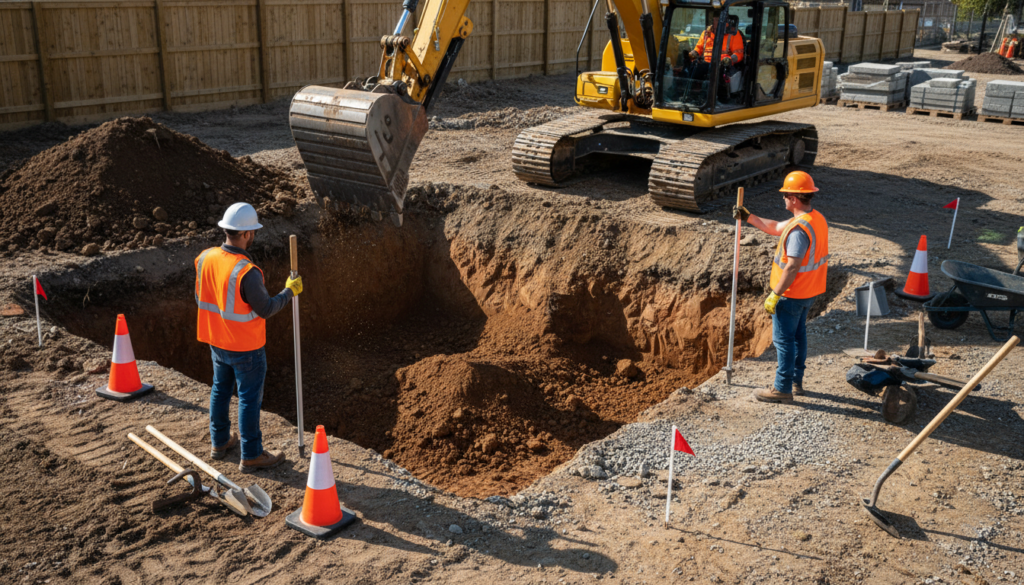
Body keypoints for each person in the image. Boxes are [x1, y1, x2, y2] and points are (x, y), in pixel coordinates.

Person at [195, 202, 303, 471]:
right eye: (252, 232)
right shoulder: (246, 271)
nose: (253, 236)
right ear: (245, 234)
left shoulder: (205, 258)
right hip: (245, 348)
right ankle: (252, 454)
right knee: (248, 399)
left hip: (216, 341)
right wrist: (289, 292)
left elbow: (200, 297)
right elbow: (266, 308)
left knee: (220, 390)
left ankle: (219, 442)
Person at [732, 171, 829, 404]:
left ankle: (782, 388)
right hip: (809, 291)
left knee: (784, 341)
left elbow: (793, 266)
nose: (783, 199)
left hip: (791, 294)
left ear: (794, 198)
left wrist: (775, 294)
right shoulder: (813, 218)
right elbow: (776, 227)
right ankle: (796, 381)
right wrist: (749, 217)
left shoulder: (798, 231)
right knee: (798, 336)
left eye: (785, 195)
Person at [687, 12, 745, 81]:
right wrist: (693, 53)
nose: (716, 22)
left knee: (719, 77)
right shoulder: (706, 33)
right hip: (706, 63)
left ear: (725, 21)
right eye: (714, 20)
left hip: (722, 66)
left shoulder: (733, 34)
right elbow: (699, 48)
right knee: (691, 70)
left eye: (718, 20)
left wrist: (729, 60)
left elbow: (738, 53)